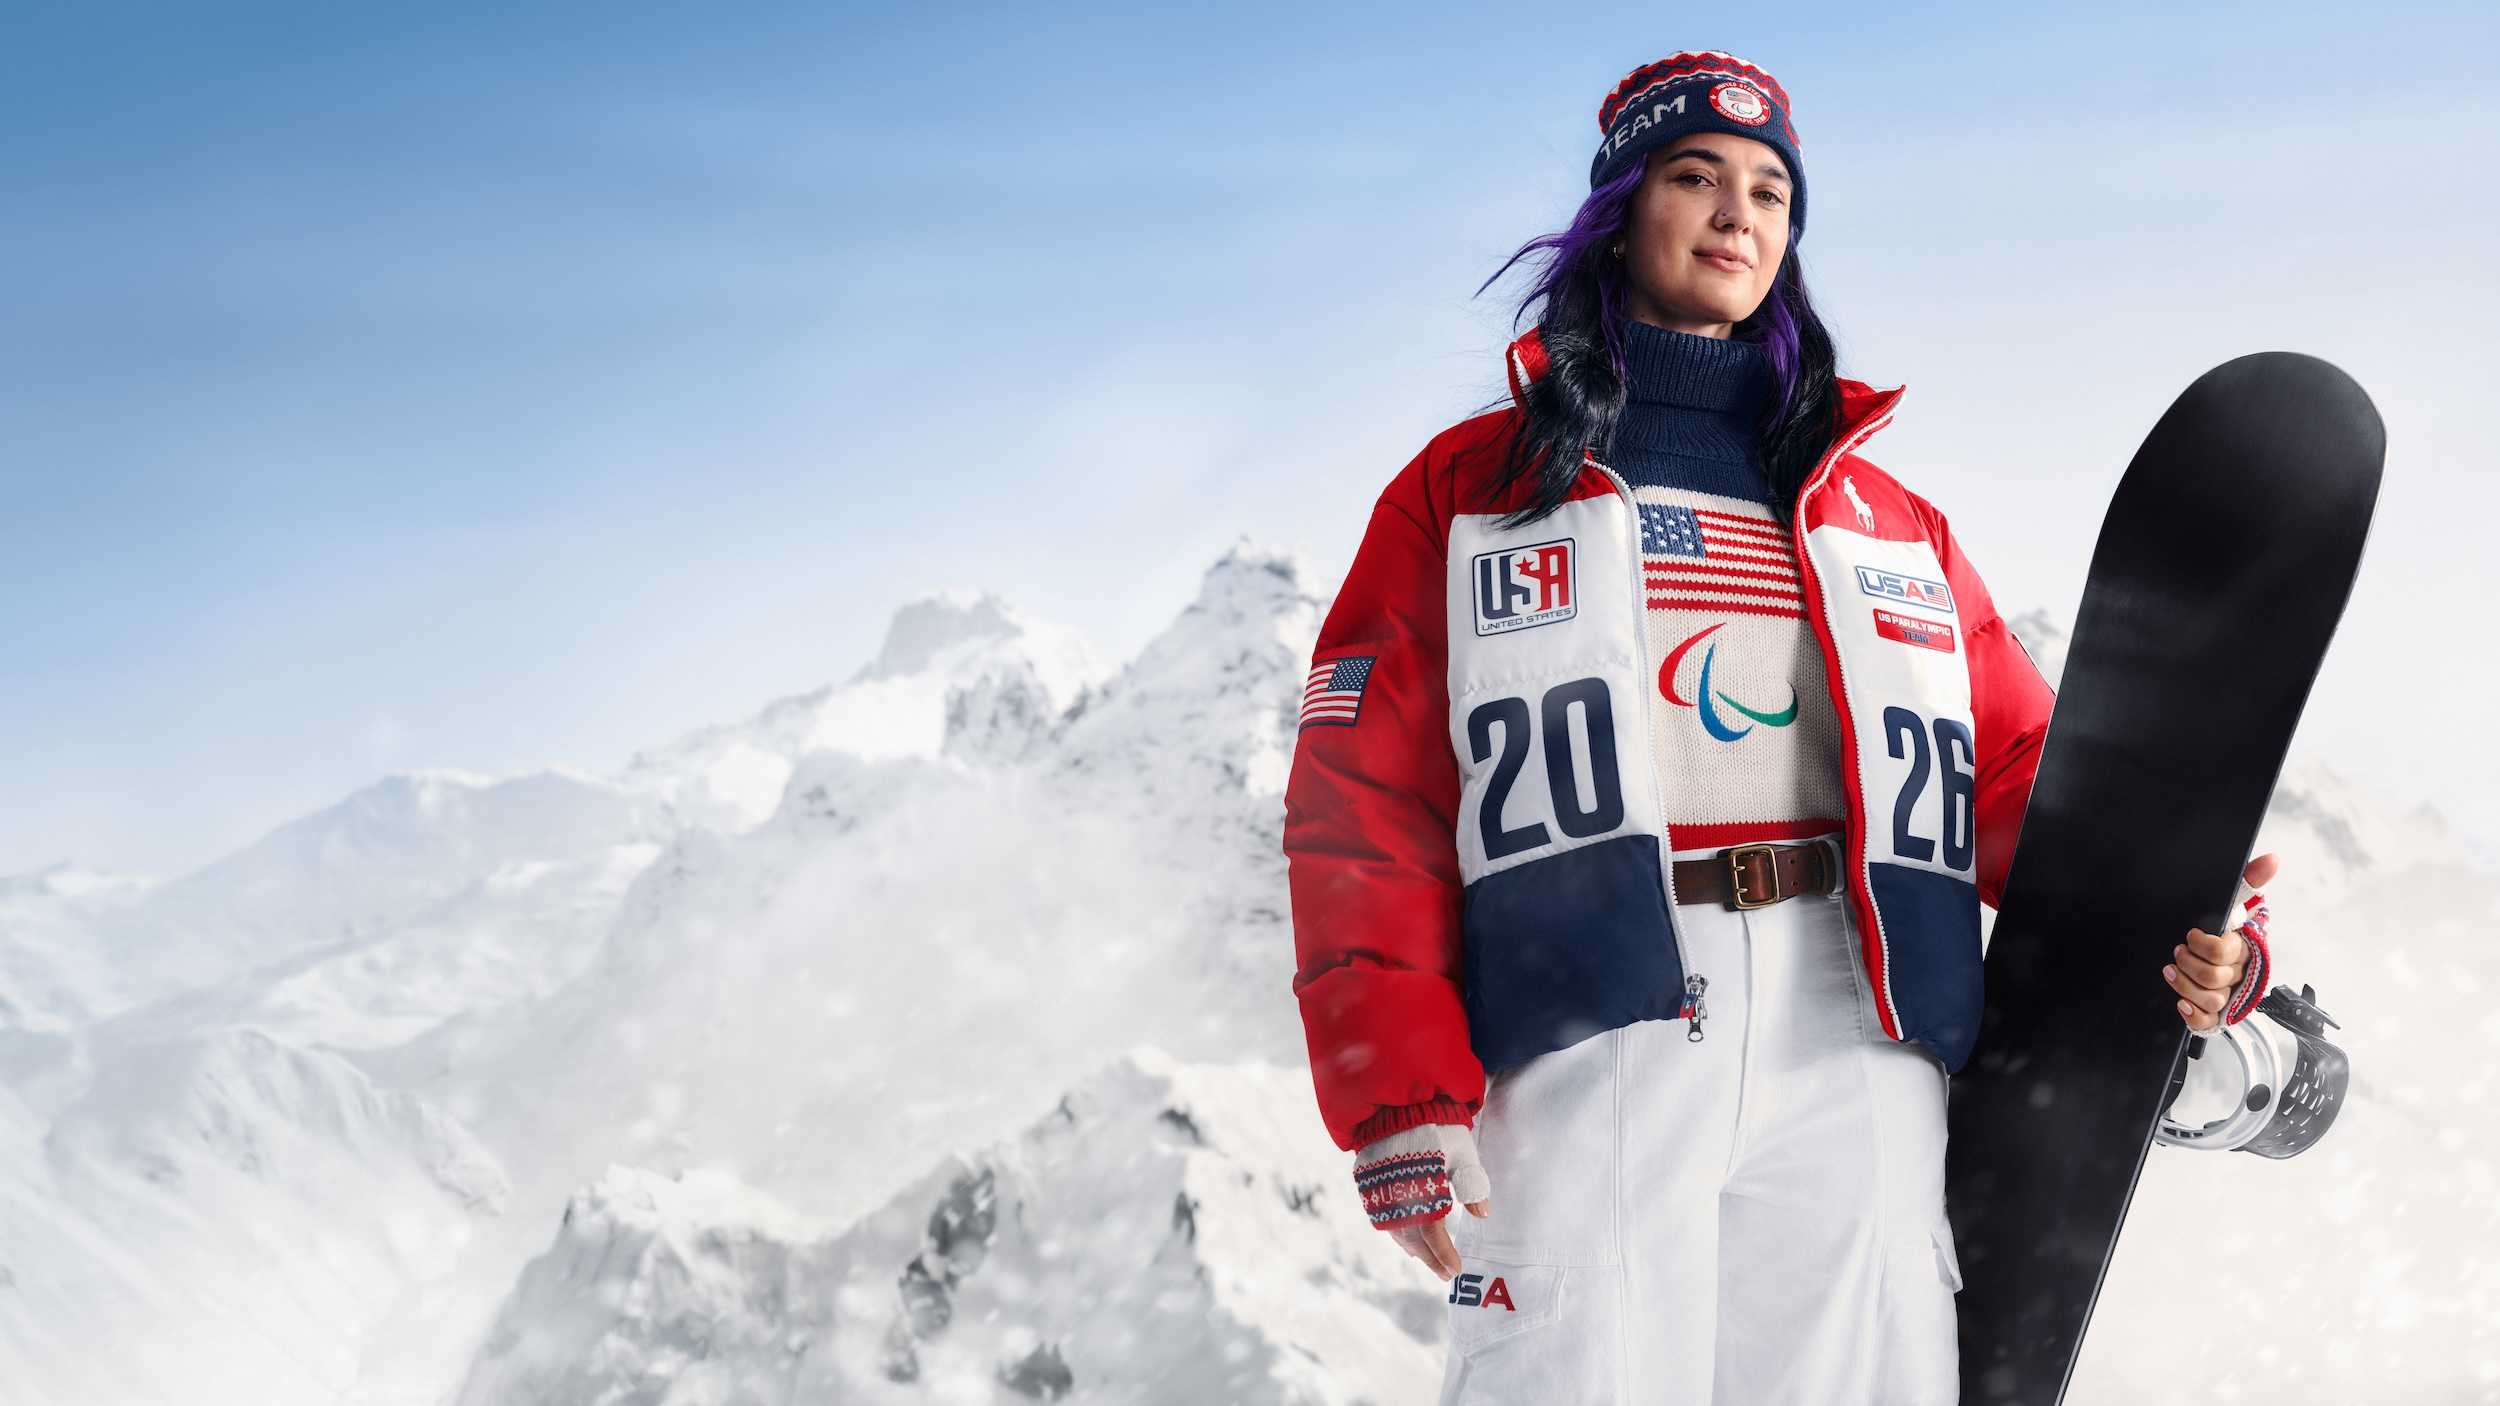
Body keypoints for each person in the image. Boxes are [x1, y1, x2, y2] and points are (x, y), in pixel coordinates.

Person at [1280, 51, 2279, 1405]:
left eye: (1768, 190)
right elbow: (1364, 804)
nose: (1736, 211)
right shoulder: (1472, 492)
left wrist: (2193, 908)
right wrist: (1397, 1097)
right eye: (1694, 176)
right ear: (1623, 210)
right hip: (1601, 1009)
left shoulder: (1881, 521)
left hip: (1856, 1010)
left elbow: (2030, 783)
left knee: (1869, 1372)